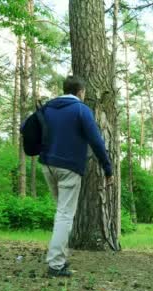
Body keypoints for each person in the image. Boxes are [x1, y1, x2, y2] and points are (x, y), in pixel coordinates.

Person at [38, 75, 113, 277]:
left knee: (61, 212)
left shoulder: (48, 107)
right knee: (64, 215)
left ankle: (59, 260)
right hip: (68, 168)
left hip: (47, 165)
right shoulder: (81, 110)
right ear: (80, 92)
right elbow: (96, 141)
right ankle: (55, 265)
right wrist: (108, 169)